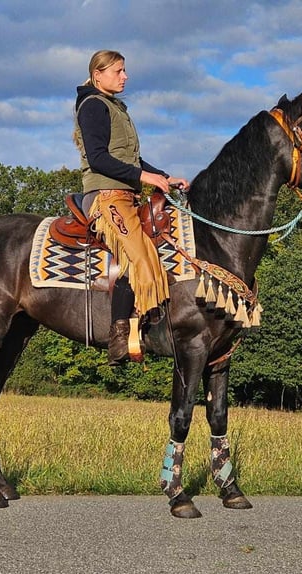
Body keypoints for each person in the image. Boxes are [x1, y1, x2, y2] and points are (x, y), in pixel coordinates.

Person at [73, 49, 190, 366]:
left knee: (155, 247)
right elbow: (98, 158)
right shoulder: (93, 106)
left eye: (124, 71)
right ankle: (118, 337)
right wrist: (144, 176)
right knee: (138, 256)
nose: (125, 77)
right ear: (98, 74)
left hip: (127, 195)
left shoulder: (116, 107)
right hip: (105, 196)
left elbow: (131, 160)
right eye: (118, 71)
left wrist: (165, 177)